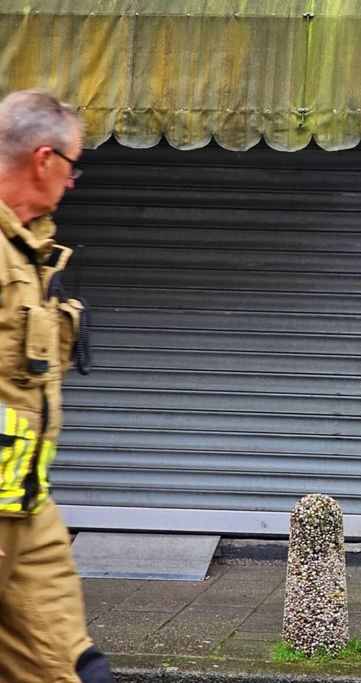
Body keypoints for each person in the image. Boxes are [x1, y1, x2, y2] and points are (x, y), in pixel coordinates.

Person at [0, 90, 110, 683]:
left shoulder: (30, 252)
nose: (73, 183)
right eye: (72, 165)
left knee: (78, 668)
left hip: (24, 505)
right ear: (44, 159)